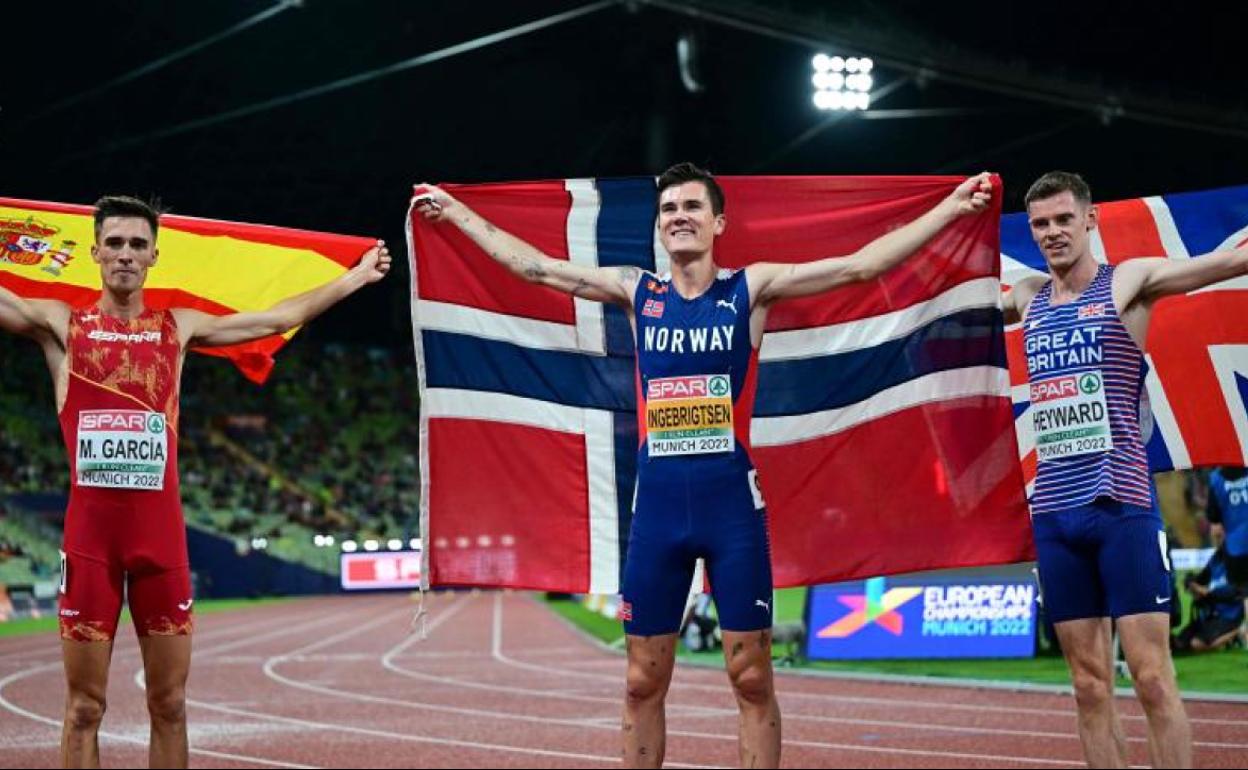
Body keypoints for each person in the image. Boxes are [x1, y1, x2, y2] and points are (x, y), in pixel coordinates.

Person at [415, 164, 994, 768]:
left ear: (718, 223)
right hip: (658, 514)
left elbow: (859, 267)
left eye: (692, 206)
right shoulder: (639, 292)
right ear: (659, 227)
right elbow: (536, 268)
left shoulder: (752, 288)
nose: (679, 216)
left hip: (732, 513)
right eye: (669, 209)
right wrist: (456, 213)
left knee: (749, 677)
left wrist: (951, 209)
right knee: (641, 680)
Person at [0, 195, 390, 768]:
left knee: (171, 703)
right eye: (114, 243)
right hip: (91, 545)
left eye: (137, 244)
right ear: (94, 253)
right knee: (83, 706)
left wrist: (354, 280)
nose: (125, 254)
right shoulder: (62, 324)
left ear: (156, 255)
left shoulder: (177, 329)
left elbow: (277, 319)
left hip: (161, 543)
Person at [1002, 171, 1248, 768]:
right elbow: (936, 302)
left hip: (1122, 510)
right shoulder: (1027, 295)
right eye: (1041, 223)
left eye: (1064, 219)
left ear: (1090, 220)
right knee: (1088, 687)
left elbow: (1223, 266)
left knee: (1151, 678)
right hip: (1055, 517)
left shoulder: (1128, 282)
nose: (1053, 232)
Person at [1172, 546, 1246, 653]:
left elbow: (1239, 592)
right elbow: (1200, 579)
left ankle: (1238, 631)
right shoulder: (1215, 559)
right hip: (1209, 614)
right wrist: (1190, 583)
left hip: (1229, 616)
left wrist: (1208, 593)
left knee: (1196, 644)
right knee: (1179, 644)